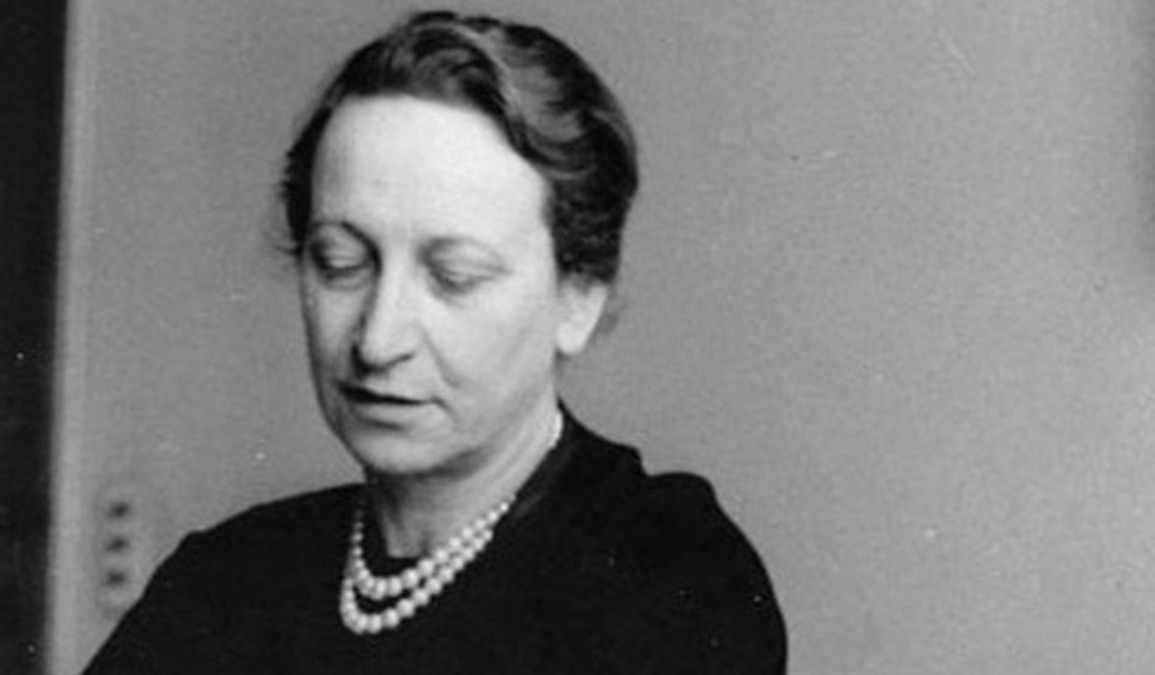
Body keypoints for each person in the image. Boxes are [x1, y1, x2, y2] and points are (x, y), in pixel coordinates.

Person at [83, 10, 786, 674]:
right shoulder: (228, 579)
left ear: (579, 296)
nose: (378, 339)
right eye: (341, 263)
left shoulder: (666, 576)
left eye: (454, 277)